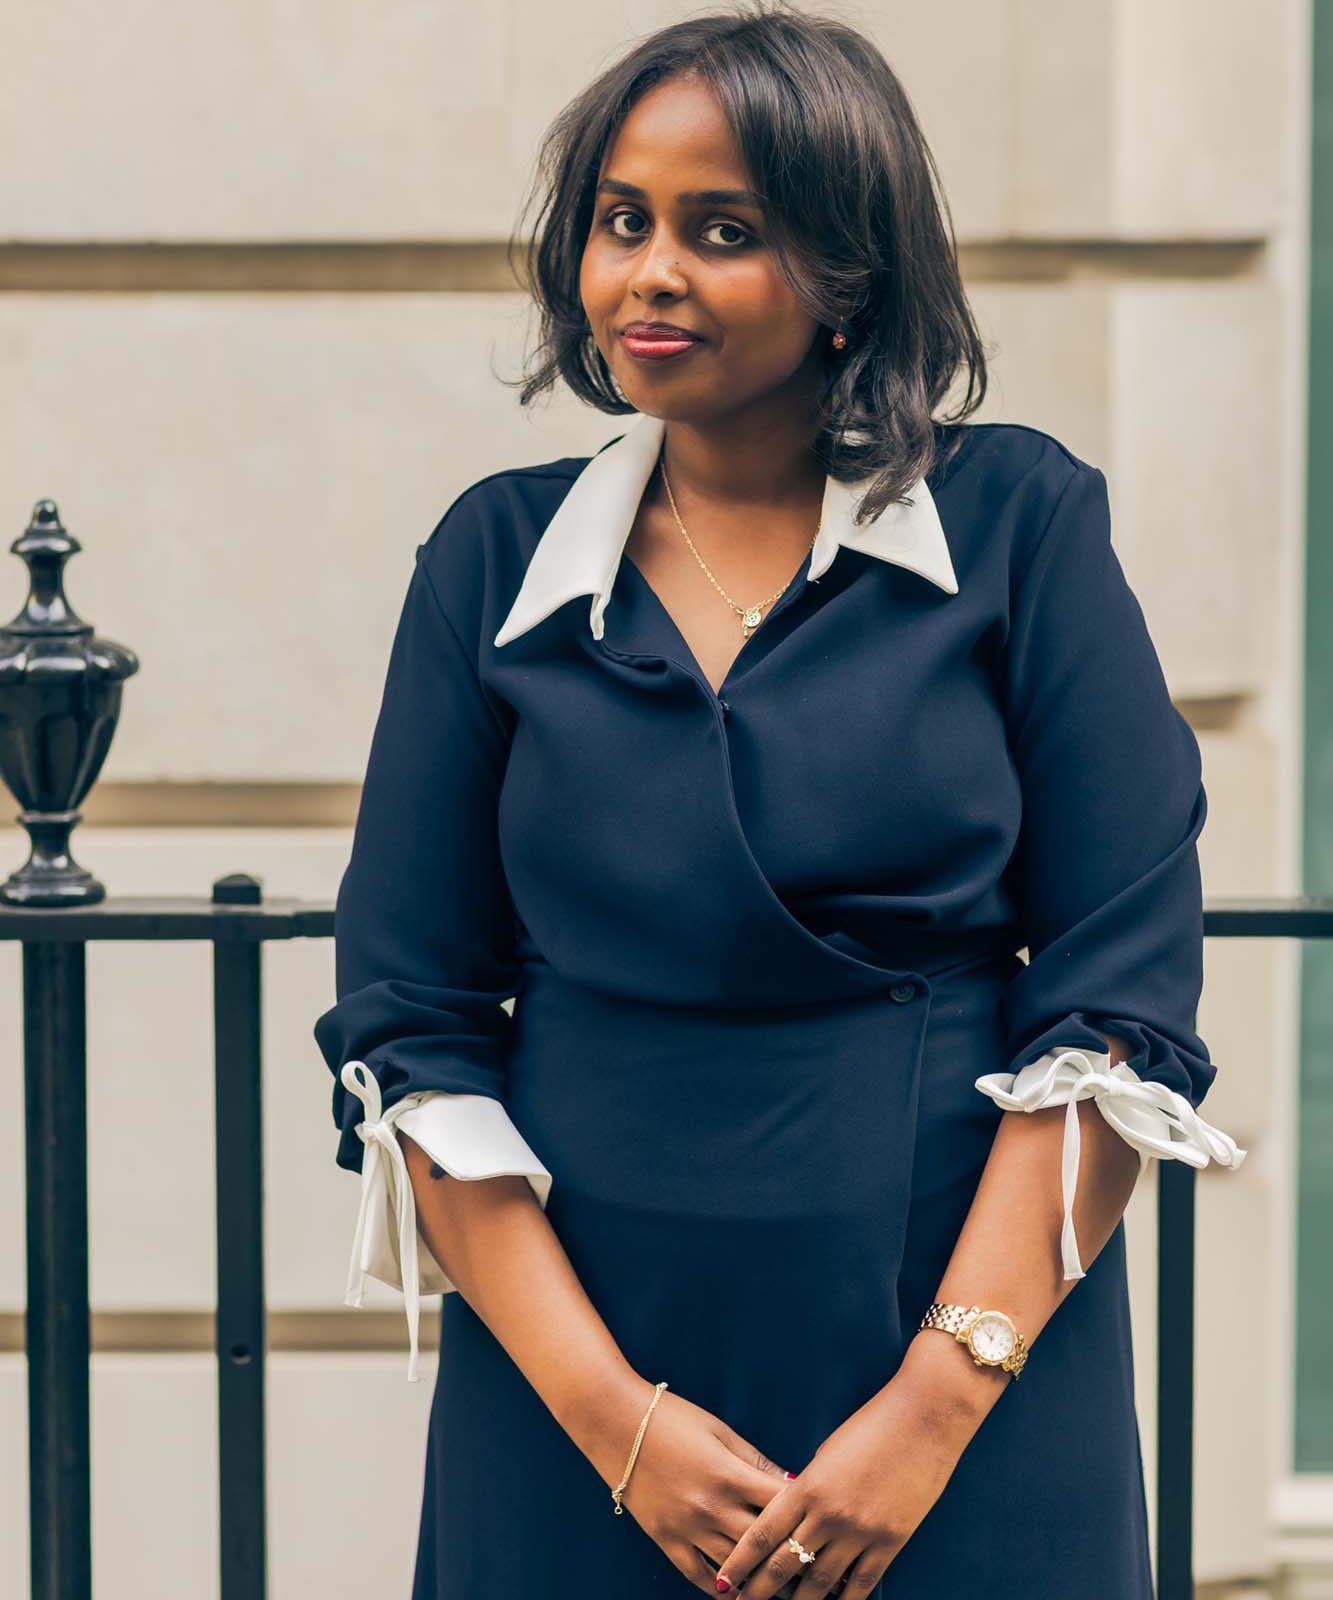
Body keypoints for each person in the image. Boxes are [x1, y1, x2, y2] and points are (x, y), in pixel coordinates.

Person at [312, 4, 1247, 1594]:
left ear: (847, 275)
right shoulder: (490, 563)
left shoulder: (1020, 528)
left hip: (966, 1370)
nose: (648, 274)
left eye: (721, 230)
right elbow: (410, 1026)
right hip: (576, 1386)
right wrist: (613, 1423)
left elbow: (1114, 1016)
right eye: (622, 222)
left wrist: (935, 1408)